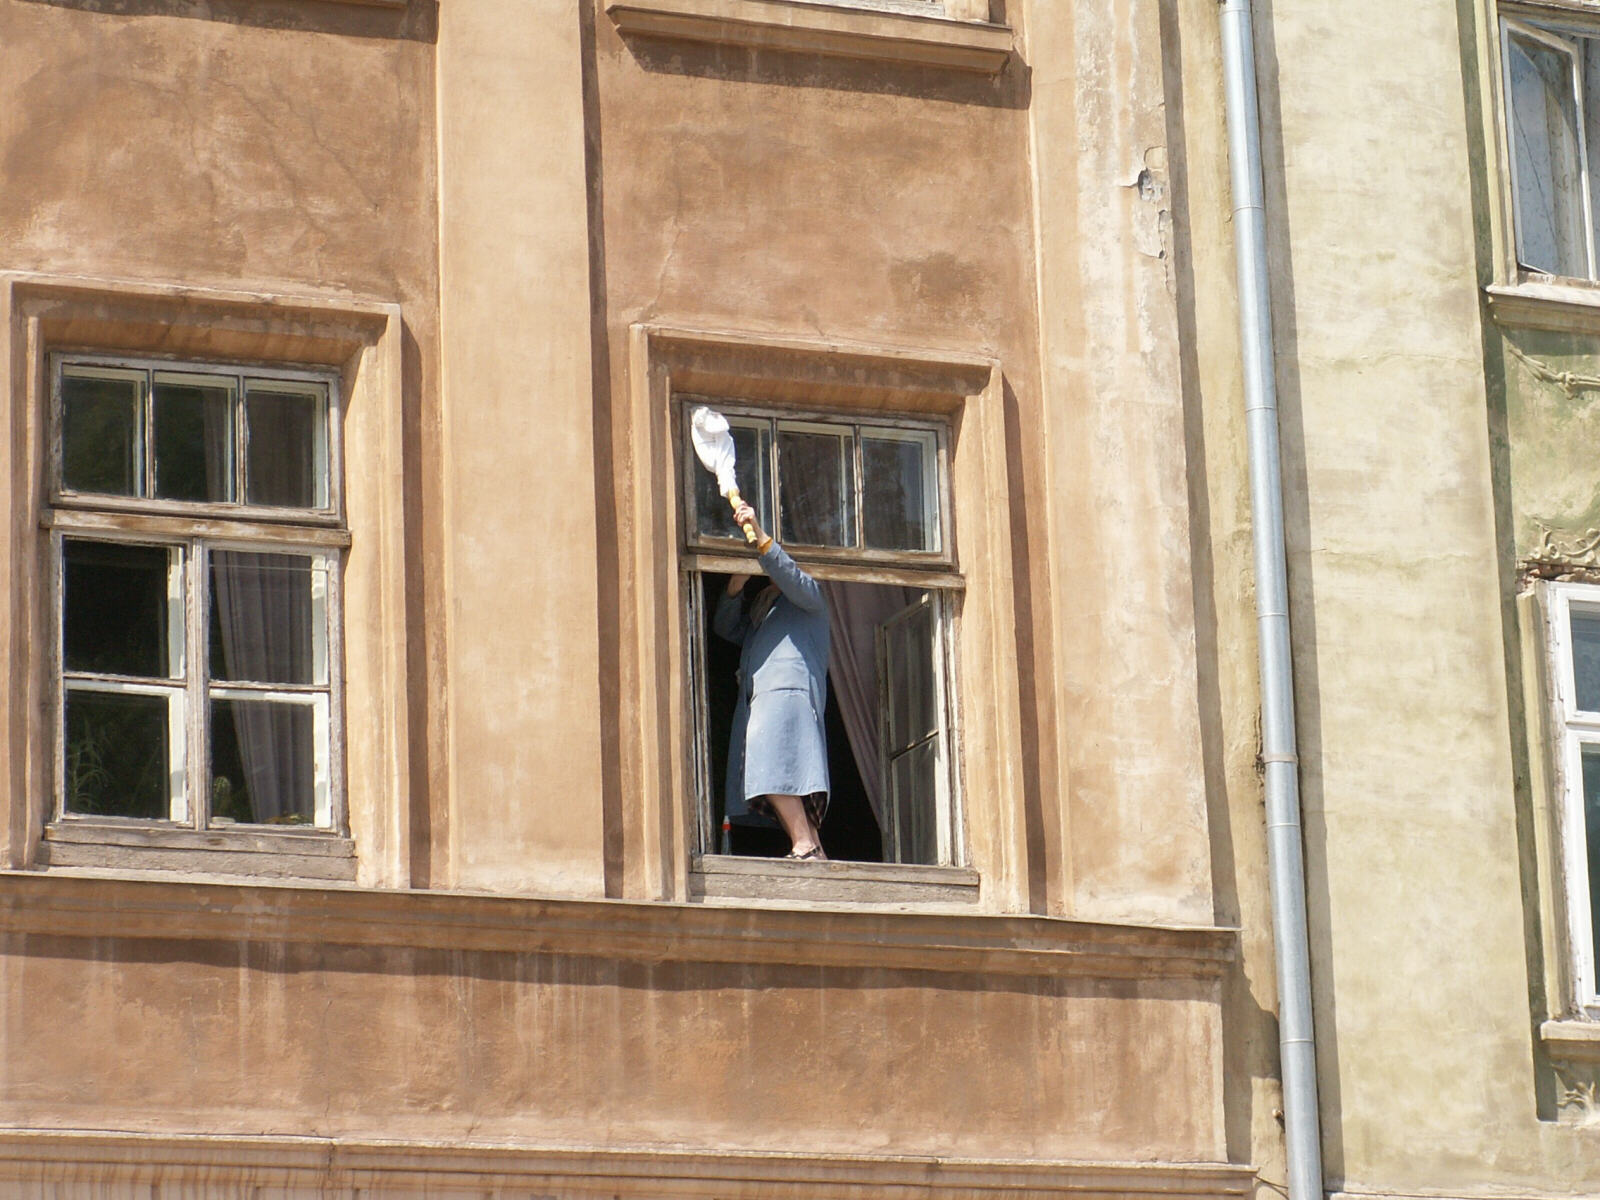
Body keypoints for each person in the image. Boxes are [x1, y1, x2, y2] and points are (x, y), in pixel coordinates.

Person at [713, 501, 831, 860]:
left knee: (773, 769)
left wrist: (762, 538)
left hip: (787, 694)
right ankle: (814, 850)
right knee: (778, 772)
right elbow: (725, 627)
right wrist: (735, 587)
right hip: (765, 696)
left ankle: (804, 844)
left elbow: (790, 575)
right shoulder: (766, 608)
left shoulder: (809, 595)